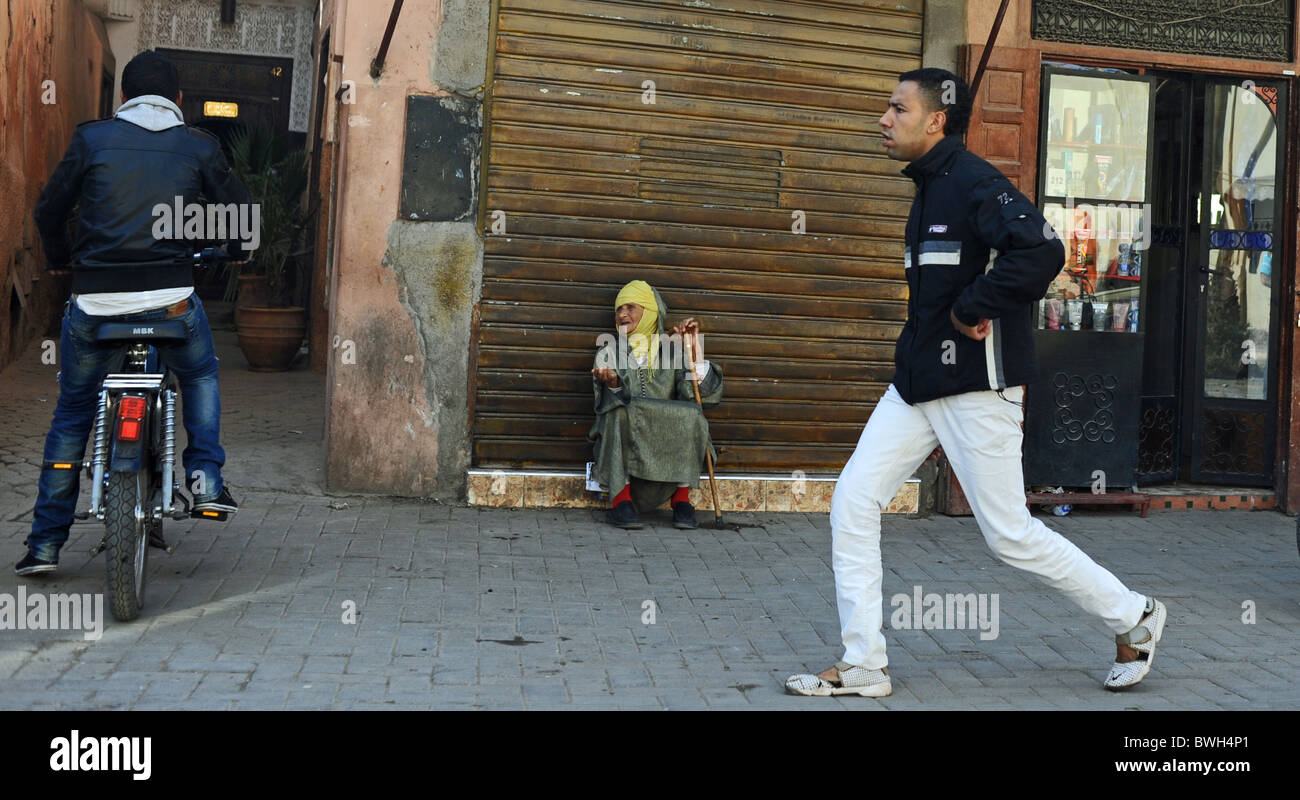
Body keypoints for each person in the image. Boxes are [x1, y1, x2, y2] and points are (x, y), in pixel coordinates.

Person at [785, 68, 1166, 697]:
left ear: (935, 120)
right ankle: (864, 666)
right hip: (916, 385)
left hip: (975, 387)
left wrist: (975, 307)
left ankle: (1135, 614)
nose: (884, 119)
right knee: (853, 502)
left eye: (896, 108)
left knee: (1009, 534)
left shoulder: (974, 183)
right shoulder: (930, 186)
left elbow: (1042, 251)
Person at [17, 50, 250, 577]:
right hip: (170, 301)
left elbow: (48, 210)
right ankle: (207, 477)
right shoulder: (199, 145)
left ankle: (46, 544)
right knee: (200, 372)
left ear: (123, 97)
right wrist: (236, 247)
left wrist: (59, 262)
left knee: (74, 412)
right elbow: (239, 209)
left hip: (96, 304)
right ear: (179, 100)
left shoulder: (91, 139)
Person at [588, 280, 722, 530]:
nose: (622, 315)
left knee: (694, 415)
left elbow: (695, 397)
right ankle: (621, 500)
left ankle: (681, 500)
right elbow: (603, 406)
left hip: (665, 446)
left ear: (649, 311)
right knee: (618, 412)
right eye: (618, 309)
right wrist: (614, 384)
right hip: (627, 448)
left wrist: (695, 353)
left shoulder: (672, 350)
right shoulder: (609, 353)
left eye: (630, 307)